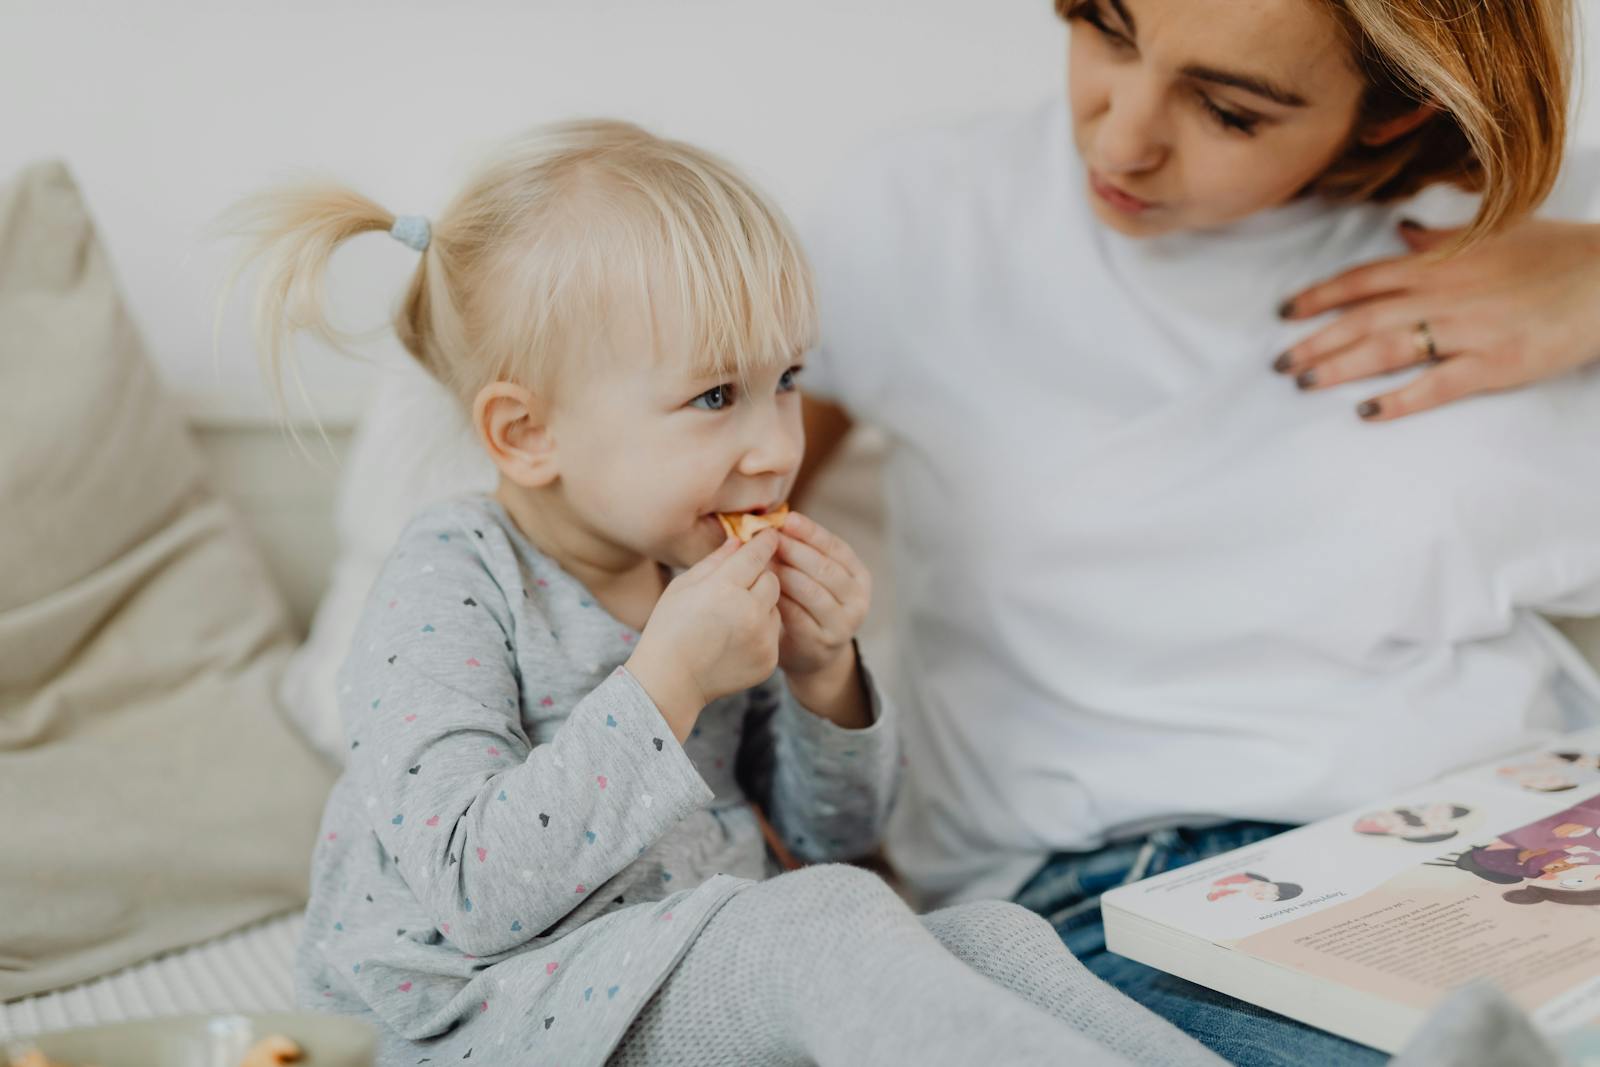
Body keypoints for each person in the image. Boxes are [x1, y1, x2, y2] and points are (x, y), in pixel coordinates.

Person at [221, 119, 1229, 1067]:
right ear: (528, 433)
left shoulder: (690, 569)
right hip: (480, 1013)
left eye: (786, 378)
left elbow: (830, 834)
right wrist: (666, 678)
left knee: (991, 939)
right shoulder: (452, 576)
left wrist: (823, 673)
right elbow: (473, 890)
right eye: (714, 397)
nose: (776, 444)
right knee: (817, 923)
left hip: (674, 976)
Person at [796, 0, 1600, 1062]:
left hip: (1529, 841)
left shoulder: (1542, 232)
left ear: (1391, 117)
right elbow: (653, 512)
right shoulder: (926, 214)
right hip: (1141, 883)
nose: (1119, 136)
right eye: (1106, 30)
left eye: (1229, 110)